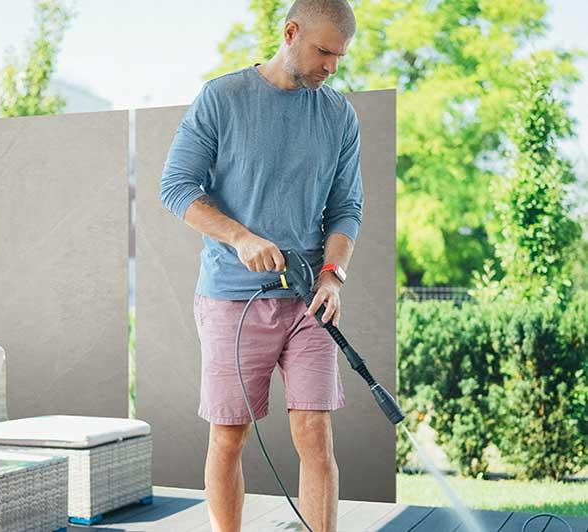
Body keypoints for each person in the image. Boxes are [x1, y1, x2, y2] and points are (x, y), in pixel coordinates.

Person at [158, 1, 363, 530]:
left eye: (339, 56)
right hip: (233, 298)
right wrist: (240, 237)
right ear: (291, 32)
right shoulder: (222, 98)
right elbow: (176, 188)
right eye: (323, 51)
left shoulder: (338, 115)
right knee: (229, 434)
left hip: (309, 299)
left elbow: (346, 208)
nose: (331, 67)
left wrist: (333, 276)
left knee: (315, 432)